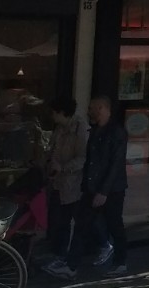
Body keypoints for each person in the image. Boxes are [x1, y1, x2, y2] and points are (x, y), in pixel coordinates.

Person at [73, 96, 127, 277]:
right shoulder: (96, 131)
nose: (89, 111)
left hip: (111, 189)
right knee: (82, 223)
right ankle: (71, 264)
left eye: (92, 108)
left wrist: (104, 191)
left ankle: (120, 261)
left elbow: (115, 164)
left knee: (114, 224)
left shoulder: (116, 132)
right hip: (93, 186)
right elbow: (91, 161)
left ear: (101, 108)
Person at [40, 96, 89, 278]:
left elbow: (82, 158)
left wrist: (63, 167)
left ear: (61, 112)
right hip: (57, 181)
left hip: (73, 183)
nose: (52, 116)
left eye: (54, 112)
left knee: (71, 220)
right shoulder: (60, 128)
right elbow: (52, 149)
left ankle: (68, 258)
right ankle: (59, 255)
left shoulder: (80, 128)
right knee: (59, 220)